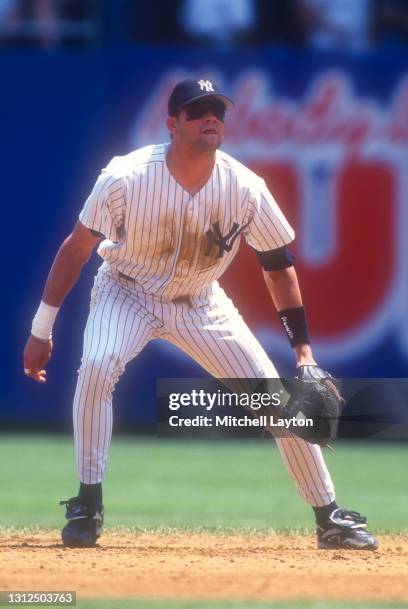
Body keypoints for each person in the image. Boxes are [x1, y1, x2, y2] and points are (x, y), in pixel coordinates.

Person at [23, 78, 378, 550]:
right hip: (126, 291)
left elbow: (279, 268)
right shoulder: (125, 177)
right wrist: (41, 329)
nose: (210, 118)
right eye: (197, 111)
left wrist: (305, 356)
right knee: (98, 365)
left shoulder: (245, 187)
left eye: (217, 111)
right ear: (172, 124)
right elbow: (75, 250)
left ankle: (329, 516)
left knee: (273, 398)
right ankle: (88, 502)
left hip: (201, 301)